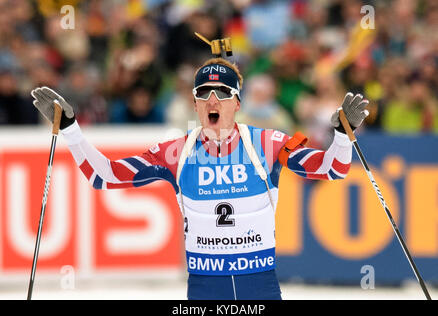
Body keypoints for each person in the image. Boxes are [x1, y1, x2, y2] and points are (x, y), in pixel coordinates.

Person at [30, 57, 369, 300]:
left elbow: (333, 168)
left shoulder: (266, 144)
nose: (212, 99)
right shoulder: (175, 153)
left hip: (259, 283)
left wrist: (342, 136)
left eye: (222, 93)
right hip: (205, 288)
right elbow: (103, 176)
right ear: (194, 104)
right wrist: (71, 129)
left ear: (237, 102)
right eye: (204, 92)